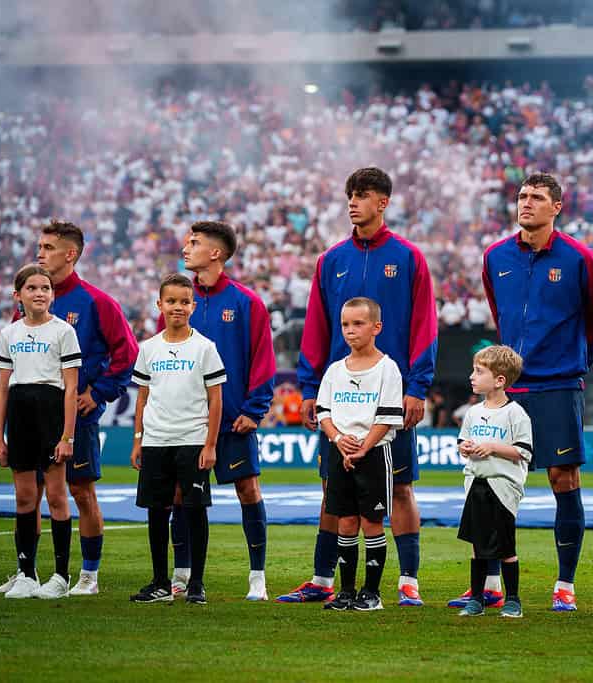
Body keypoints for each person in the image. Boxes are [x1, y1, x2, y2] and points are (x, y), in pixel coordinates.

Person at [285, 167, 437, 607]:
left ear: (383, 202)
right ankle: (322, 578)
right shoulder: (331, 260)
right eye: (350, 194)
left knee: (402, 486)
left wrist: (418, 385)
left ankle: (408, 579)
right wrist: (310, 387)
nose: (353, 201)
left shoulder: (409, 258)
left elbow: (425, 324)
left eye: (363, 194)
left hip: (391, 391)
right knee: (333, 489)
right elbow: (316, 326)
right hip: (341, 394)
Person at [475, 172, 593, 612]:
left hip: (557, 384)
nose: (526, 203)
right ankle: (491, 584)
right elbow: (500, 313)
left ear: (557, 207)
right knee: (493, 479)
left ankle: (564, 584)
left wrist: (572, 363)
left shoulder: (580, 259)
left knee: (562, 479)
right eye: (521, 196)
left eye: (536, 197)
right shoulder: (495, 256)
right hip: (509, 385)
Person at [0, 222, 138, 597]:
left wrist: (99, 393)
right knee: (29, 494)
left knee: (80, 491)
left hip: (76, 416)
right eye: (39, 246)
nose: (40, 252)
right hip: (29, 416)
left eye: (48, 246)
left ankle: (88, 574)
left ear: (69, 254)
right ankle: (28, 573)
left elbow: (128, 356)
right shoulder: (25, 306)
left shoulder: (98, 302)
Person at [169, 221, 276, 601]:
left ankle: (257, 578)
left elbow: (263, 359)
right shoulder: (179, 301)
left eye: (194, 243)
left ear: (216, 252)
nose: (186, 248)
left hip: (233, 419)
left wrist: (255, 408)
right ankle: (181, 577)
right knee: (181, 495)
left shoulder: (247, 303)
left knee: (248, 489)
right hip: (186, 420)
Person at [129, 274, 225, 605]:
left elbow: (216, 400)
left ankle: (196, 582)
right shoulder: (148, 348)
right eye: (171, 301)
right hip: (156, 441)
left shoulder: (205, 348)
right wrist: (138, 439)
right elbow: (142, 398)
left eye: (184, 301)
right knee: (157, 510)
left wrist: (210, 444)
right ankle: (159, 581)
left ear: (193, 306)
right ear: (160, 305)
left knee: (195, 509)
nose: (178, 307)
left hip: (192, 441)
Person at [0, 264, 81, 599]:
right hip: (20, 414)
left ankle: (60, 576)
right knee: (25, 497)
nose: (40, 293)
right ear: (19, 295)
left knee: (57, 496)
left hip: (51, 412)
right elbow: (2, 388)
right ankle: (26, 574)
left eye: (45, 288)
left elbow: (71, 388)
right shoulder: (9, 333)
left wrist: (66, 436)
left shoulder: (63, 332)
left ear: (52, 294)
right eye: (32, 288)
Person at [316, 297, 404, 611]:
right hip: (340, 454)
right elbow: (323, 412)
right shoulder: (335, 370)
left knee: (372, 522)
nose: (350, 331)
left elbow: (388, 416)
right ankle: (346, 591)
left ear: (376, 327)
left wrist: (364, 446)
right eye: (345, 324)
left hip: (375, 455)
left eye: (358, 323)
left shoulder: (387, 369)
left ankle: (372, 592)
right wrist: (338, 439)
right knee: (346, 523)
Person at [456, 345, 532, 618]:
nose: (472, 377)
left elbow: (523, 452)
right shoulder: (473, 412)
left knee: (505, 546)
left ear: (500, 380)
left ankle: (513, 600)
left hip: (502, 486)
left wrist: (493, 447)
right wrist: (465, 448)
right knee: (478, 546)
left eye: (479, 372)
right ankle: (476, 599)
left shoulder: (515, 414)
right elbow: (463, 441)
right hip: (476, 483)